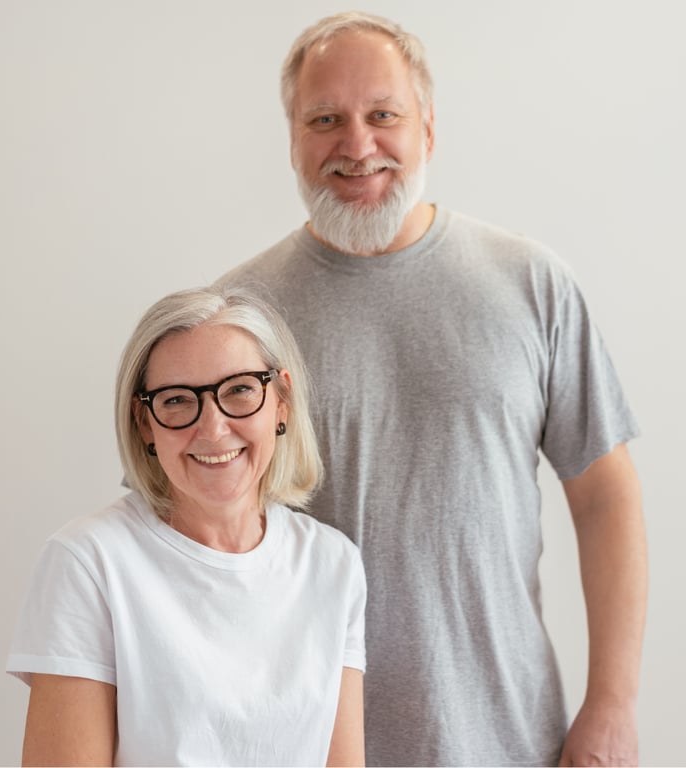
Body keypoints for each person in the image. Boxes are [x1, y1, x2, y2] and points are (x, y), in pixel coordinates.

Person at [216, 11, 647, 767]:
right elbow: (184, 544)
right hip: (299, 747)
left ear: (428, 129)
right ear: (292, 137)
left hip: (510, 741)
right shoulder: (236, 318)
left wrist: (611, 705)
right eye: (326, 119)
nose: (357, 145)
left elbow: (606, 496)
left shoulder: (530, 284)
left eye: (383, 115)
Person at [6, 286, 367, 767]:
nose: (213, 428)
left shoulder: (333, 564)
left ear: (281, 400)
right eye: (176, 400)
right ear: (144, 424)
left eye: (239, 389)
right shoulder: (89, 563)